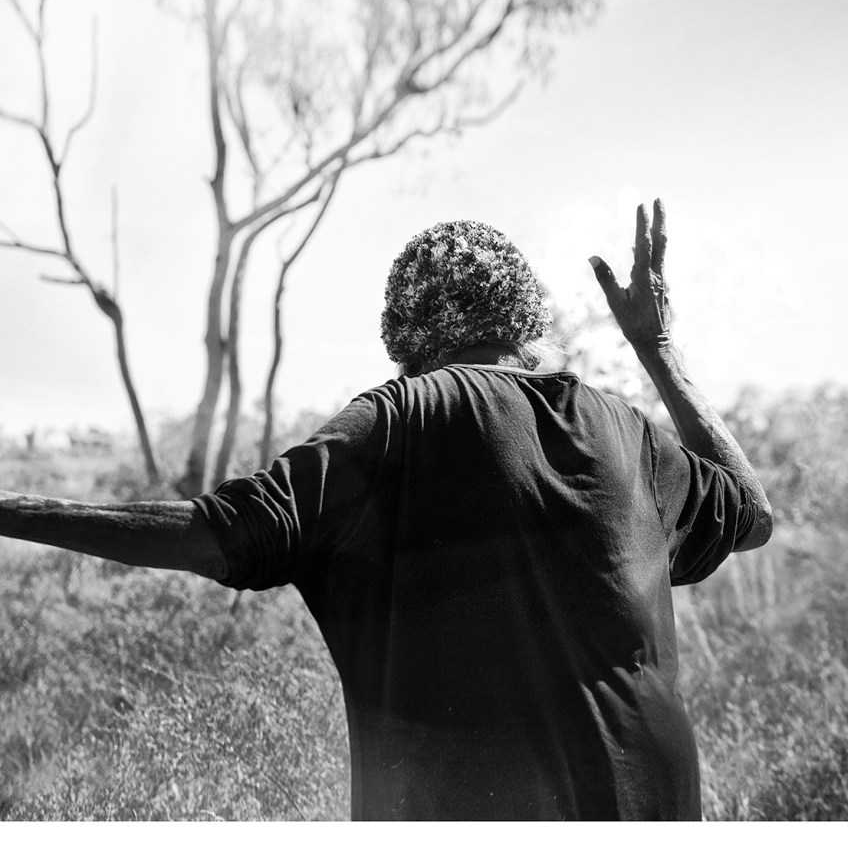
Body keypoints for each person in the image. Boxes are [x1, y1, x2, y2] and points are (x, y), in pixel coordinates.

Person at [0, 199, 772, 821]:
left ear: (403, 332)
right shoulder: (625, 430)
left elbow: (216, 533)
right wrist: (657, 347)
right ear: (524, 323)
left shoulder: (400, 419)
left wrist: (14, 512)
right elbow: (749, 511)